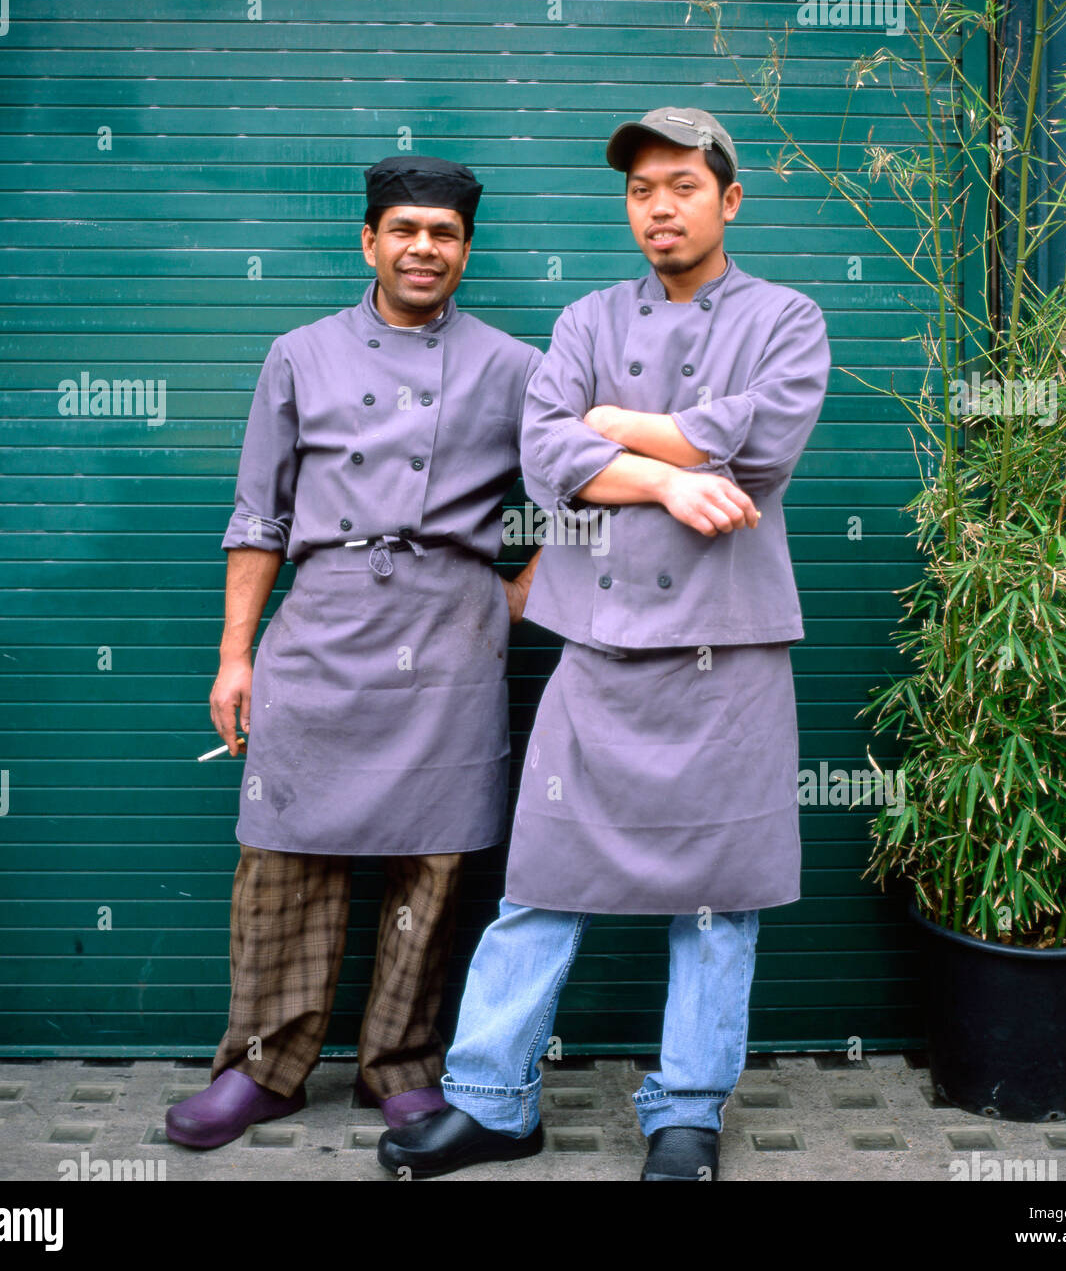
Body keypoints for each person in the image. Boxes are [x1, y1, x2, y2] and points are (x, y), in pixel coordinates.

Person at [377, 108, 830, 1180]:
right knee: (540, 879)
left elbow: (758, 449)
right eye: (639, 189)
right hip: (599, 642)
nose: (658, 205)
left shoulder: (787, 318)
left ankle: (687, 1112)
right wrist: (674, 469)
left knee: (718, 899)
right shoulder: (584, 319)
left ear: (729, 198)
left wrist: (613, 426)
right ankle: (492, 1101)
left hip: (732, 649)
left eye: (681, 183)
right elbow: (546, 455)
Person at [166, 155, 541, 1148]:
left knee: (435, 860)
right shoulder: (299, 353)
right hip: (323, 621)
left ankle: (404, 1068)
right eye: (405, 230)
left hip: (452, 628)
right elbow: (257, 516)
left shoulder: (514, 366)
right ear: (369, 241)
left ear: (466, 249)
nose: (425, 249)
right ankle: (262, 1067)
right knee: (283, 857)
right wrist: (234, 656)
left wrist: (512, 594)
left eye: (445, 234)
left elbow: (582, 494)